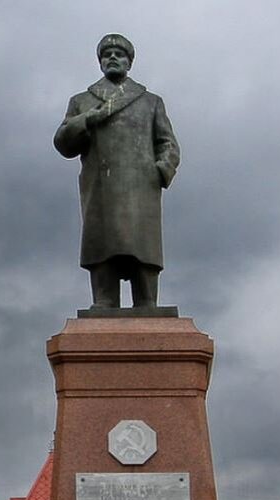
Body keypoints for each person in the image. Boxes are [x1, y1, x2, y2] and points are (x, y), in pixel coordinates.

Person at [54, 34, 180, 310]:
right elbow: (63, 143)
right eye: (107, 54)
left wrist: (160, 170)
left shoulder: (150, 101)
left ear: (129, 62)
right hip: (100, 185)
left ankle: (146, 301)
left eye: (119, 54)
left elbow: (167, 142)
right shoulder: (82, 101)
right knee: (102, 243)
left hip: (141, 185)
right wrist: (88, 118)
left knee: (142, 246)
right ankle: (104, 299)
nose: (112, 58)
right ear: (100, 62)